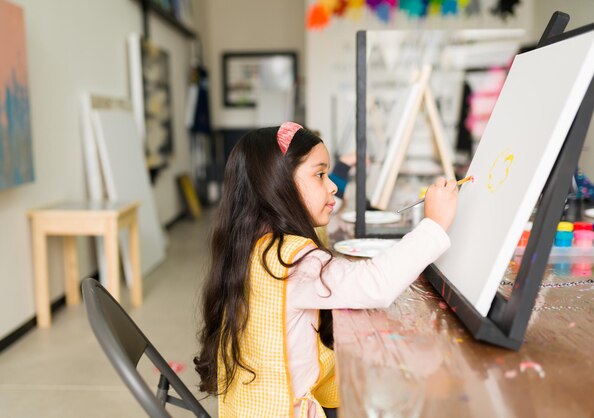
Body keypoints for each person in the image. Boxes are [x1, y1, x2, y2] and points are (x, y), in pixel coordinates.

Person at [194, 122, 458, 418]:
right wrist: (433, 226)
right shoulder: (289, 260)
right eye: (320, 175)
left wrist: (342, 170)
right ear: (277, 186)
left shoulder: (253, 243)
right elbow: (375, 284)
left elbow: (329, 202)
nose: (331, 185)